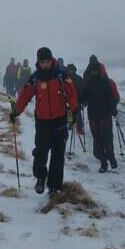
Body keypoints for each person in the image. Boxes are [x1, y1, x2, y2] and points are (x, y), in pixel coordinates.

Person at [10, 47, 78, 195]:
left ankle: (54, 186)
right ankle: (41, 177)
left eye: (47, 61)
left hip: (60, 121)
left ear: (51, 60)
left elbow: (72, 93)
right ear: (38, 62)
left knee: (58, 156)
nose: (45, 64)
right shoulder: (35, 78)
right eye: (42, 62)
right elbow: (24, 96)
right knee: (41, 153)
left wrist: (74, 110)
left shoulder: (61, 75)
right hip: (42, 122)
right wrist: (16, 111)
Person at [80, 56, 120, 173]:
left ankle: (110, 159)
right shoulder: (89, 84)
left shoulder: (106, 83)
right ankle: (104, 162)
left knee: (105, 139)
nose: (94, 73)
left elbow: (113, 98)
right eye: (92, 71)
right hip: (94, 116)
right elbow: (82, 98)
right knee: (98, 140)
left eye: (95, 71)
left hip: (104, 115)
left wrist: (113, 108)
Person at [66, 64, 85, 135]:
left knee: (75, 113)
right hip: (72, 99)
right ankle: (73, 125)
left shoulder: (67, 78)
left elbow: (82, 88)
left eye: (72, 69)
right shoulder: (68, 78)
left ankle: (77, 127)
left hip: (75, 99)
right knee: (71, 112)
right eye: (70, 69)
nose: (71, 71)